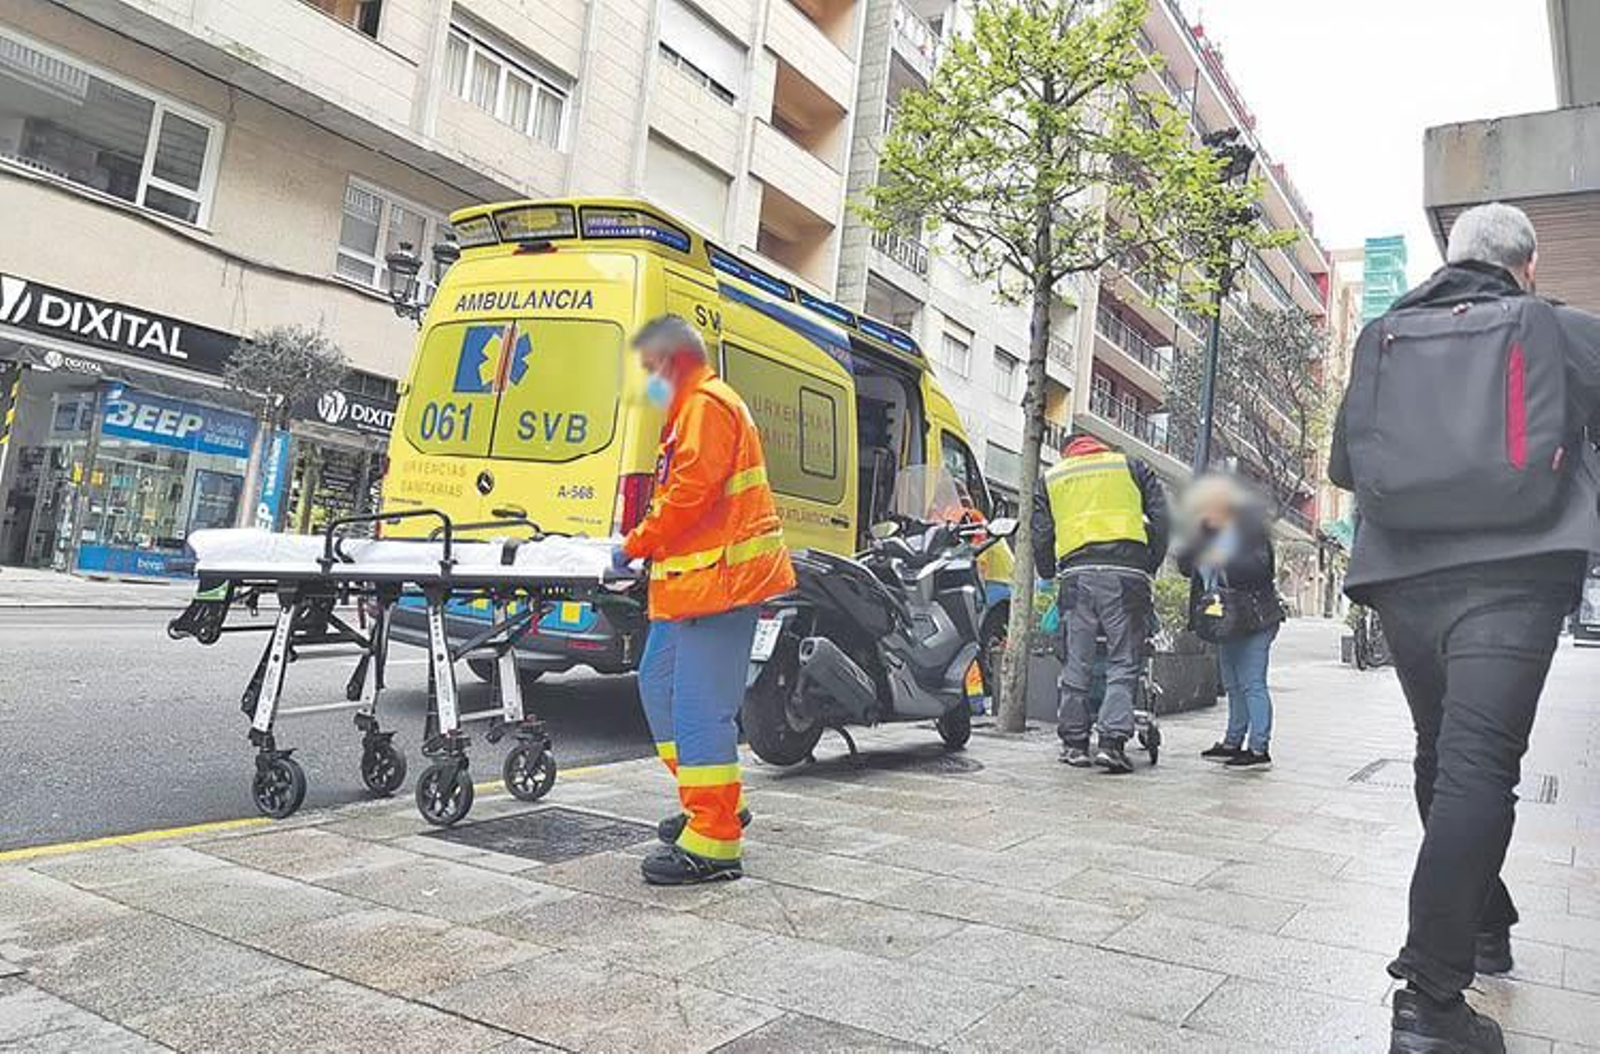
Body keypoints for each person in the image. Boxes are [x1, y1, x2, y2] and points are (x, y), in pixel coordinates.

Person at [1329, 202, 1600, 1053]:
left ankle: (1483, 922)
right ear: (1525, 267)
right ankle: (1431, 1006)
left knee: (1442, 756)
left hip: (1404, 577)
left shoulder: (1386, 335)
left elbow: (1345, 465)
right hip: (1517, 573)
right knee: (1478, 766)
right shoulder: (1557, 328)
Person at [613, 315, 796, 886]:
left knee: (698, 707)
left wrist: (635, 544)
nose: (648, 382)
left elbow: (692, 490)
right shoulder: (692, 410)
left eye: (651, 370)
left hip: (722, 586)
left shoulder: (707, 405)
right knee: (659, 685)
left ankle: (715, 840)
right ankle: (709, 798)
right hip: (697, 586)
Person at [1033, 432, 1168, 773]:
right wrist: (1149, 562)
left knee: (1077, 660)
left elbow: (1041, 533)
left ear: (1068, 451)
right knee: (1124, 660)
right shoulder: (1132, 467)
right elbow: (1163, 519)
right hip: (1126, 576)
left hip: (1077, 577)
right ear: (1101, 446)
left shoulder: (1052, 478)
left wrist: (1048, 570)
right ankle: (1111, 743)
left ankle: (1075, 744)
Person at [1175, 474, 1283, 771]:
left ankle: (1259, 748)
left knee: (1252, 684)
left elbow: (1258, 571)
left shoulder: (1250, 532)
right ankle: (1232, 741)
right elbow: (1185, 567)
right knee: (1233, 684)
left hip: (1254, 619)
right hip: (1225, 620)